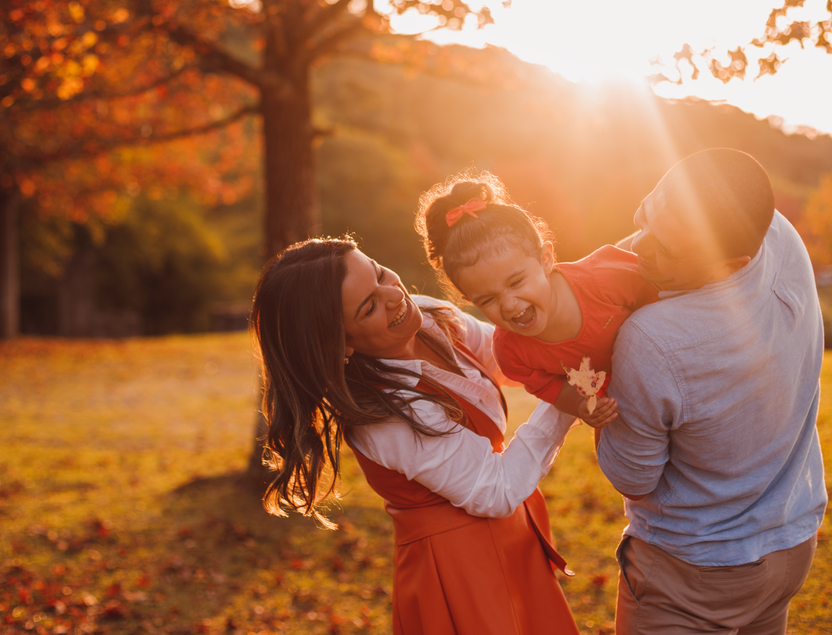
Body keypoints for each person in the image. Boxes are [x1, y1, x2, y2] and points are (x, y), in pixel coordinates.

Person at [251, 237, 598, 635]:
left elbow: (514, 356)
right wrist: (570, 395)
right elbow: (496, 490)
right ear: (340, 343)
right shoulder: (383, 415)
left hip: (515, 539)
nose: (393, 295)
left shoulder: (433, 318)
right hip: (461, 569)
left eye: (380, 273)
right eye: (369, 306)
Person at [596, 148, 827, 635]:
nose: (639, 248)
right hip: (790, 541)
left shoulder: (652, 338)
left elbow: (634, 476)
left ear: (729, 263)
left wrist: (593, 392)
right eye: (645, 218)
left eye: (667, 251)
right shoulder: (778, 234)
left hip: (692, 571)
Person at [415, 171, 660, 423]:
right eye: (487, 299)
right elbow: (549, 388)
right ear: (469, 300)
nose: (509, 304)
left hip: (666, 372)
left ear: (545, 260)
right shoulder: (510, 351)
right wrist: (582, 406)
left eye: (516, 282)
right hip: (618, 408)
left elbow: (666, 298)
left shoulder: (603, 278)